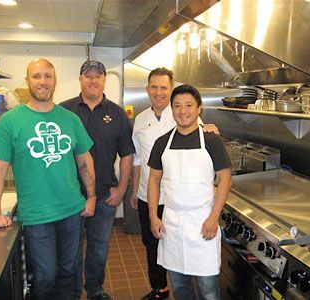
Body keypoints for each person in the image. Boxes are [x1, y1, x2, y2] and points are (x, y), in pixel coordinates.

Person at [0, 58, 96, 299]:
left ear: (55, 81)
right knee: (45, 276)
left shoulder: (70, 119)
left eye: (48, 76)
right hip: (37, 215)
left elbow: (84, 160)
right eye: (36, 76)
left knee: (70, 272)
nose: (43, 82)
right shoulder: (10, 121)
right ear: (27, 81)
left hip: (72, 210)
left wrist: (91, 197)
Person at [130, 68, 219, 300]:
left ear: (170, 90)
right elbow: (138, 160)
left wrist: (211, 128)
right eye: (154, 87)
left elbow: (204, 133)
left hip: (177, 200)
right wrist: (133, 190)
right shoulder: (140, 119)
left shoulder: (182, 113)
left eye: (163, 88)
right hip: (148, 194)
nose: (159, 93)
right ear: (147, 90)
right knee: (152, 246)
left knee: (187, 257)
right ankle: (159, 289)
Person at [148, 84, 232, 300]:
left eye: (188, 105)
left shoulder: (212, 140)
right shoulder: (162, 142)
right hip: (172, 223)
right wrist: (153, 216)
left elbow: (225, 179)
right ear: (171, 109)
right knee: (179, 286)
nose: (183, 111)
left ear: (199, 109)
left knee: (209, 289)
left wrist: (214, 218)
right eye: (177, 106)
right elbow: (154, 180)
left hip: (203, 220)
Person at [60, 60, 135, 300]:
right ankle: (70, 292)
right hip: (69, 196)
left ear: (104, 80)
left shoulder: (117, 113)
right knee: (70, 250)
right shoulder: (63, 111)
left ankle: (94, 289)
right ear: (80, 79)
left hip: (104, 195)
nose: (93, 80)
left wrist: (121, 189)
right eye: (88, 75)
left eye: (98, 76)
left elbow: (127, 154)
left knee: (99, 248)